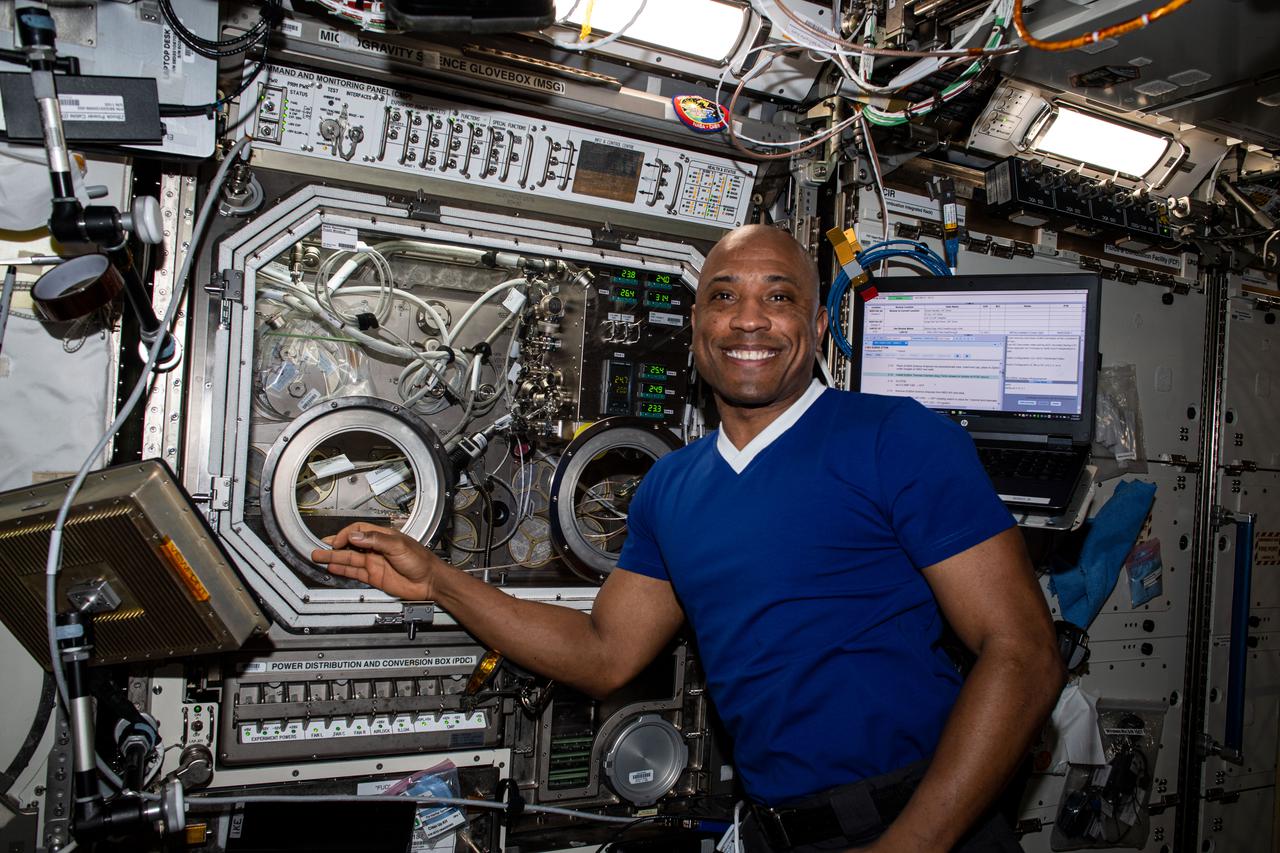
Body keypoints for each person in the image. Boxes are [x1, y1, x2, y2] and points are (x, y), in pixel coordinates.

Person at [312, 224, 1066, 852]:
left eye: (779, 296)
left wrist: (911, 847)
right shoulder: (673, 487)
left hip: (917, 821)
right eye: (723, 296)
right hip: (775, 832)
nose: (748, 318)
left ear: (819, 324)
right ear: (698, 327)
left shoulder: (897, 438)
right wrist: (440, 579)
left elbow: (1024, 652)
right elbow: (604, 655)